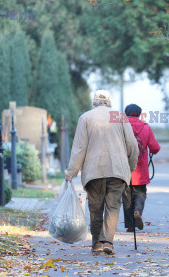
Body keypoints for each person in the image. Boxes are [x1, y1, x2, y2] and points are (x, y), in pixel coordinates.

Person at [64, 90, 139, 255]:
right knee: (113, 207)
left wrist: (72, 171)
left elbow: (79, 148)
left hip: (94, 171)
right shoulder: (120, 117)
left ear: (94, 101)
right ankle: (108, 242)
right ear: (109, 101)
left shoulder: (85, 118)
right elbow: (132, 145)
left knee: (95, 208)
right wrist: (131, 167)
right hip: (117, 170)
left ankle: (97, 243)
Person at [122, 104, 161, 232]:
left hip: (124, 169)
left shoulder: (121, 127)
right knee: (140, 194)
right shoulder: (146, 127)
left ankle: (130, 225)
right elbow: (155, 148)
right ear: (139, 114)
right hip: (140, 171)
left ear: (125, 114)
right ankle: (137, 211)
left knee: (127, 196)